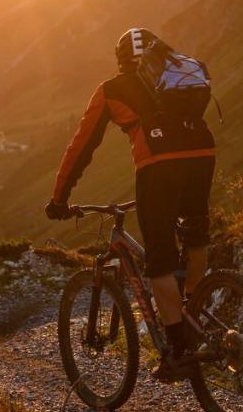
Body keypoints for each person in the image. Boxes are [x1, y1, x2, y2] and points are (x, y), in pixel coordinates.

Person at [45, 28, 216, 382]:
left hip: (158, 165)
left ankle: (178, 353)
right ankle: (192, 309)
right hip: (202, 152)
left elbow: (81, 146)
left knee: (159, 262)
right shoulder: (174, 76)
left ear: (121, 59)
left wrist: (60, 198)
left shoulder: (112, 89)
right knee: (196, 236)